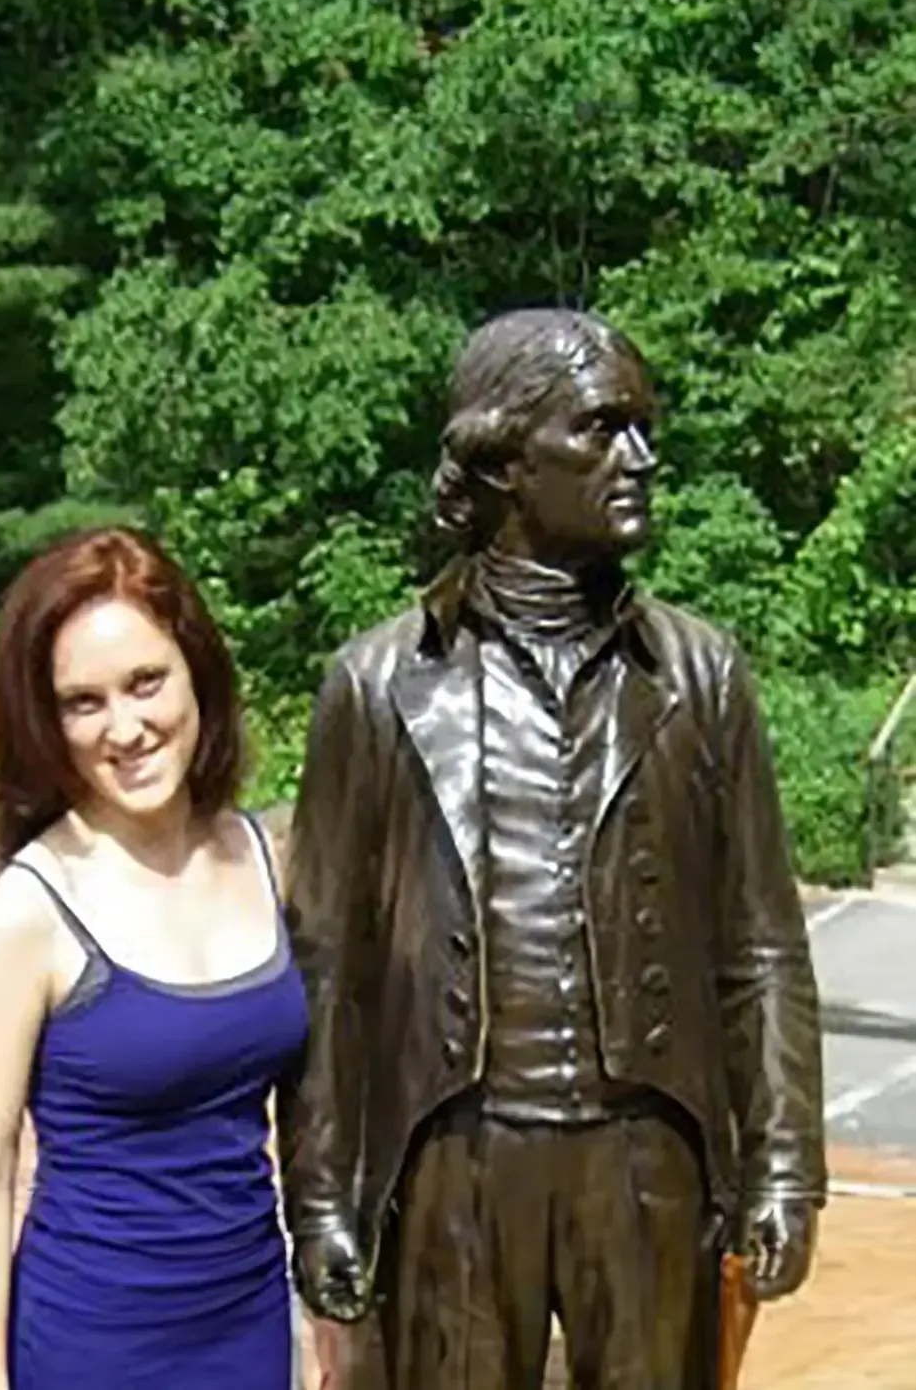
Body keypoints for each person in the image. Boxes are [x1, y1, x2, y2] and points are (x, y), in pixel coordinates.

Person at [278, 309, 826, 1390]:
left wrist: (785, 1168)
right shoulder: (380, 685)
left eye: (644, 428)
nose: (641, 458)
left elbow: (762, 945)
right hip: (452, 1159)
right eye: (603, 429)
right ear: (507, 457)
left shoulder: (702, 676)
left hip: (649, 1156)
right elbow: (330, 967)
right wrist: (323, 1201)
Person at [0, 526, 309, 1390]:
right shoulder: (24, 913)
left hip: (250, 1325)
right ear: (47, 721)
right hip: (94, 1343)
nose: (126, 727)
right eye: (84, 701)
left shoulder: (269, 859)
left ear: (197, 675)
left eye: (146, 683)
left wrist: (327, 1309)